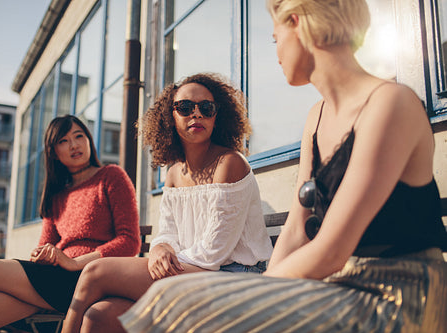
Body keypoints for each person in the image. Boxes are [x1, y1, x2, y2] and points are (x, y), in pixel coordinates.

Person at [118, 1, 447, 332]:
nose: (276, 52)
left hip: (396, 294)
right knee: (176, 299)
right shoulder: (316, 117)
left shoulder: (391, 103)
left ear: (297, 22)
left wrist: (252, 291)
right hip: (335, 285)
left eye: (276, 38)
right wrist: (260, 287)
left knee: (181, 302)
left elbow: (332, 249)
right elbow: (296, 229)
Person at [60, 73, 273, 333]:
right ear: (169, 117)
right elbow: (168, 231)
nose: (196, 115)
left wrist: (162, 258)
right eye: (185, 108)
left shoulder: (230, 163)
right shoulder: (173, 173)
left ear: (218, 116)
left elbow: (213, 251)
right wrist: (160, 248)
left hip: (236, 278)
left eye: (206, 108)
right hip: (192, 272)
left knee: (95, 272)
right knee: (99, 315)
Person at [0, 115, 141, 333]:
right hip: (54, 281)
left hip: (88, 279)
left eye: (79, 136)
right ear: (54, 153)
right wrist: (46, 255)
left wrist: (75, 263)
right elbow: (43, 247)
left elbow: (130, 241)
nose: (74, 145)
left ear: (89, 140)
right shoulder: (56, 195)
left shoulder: (111, 176)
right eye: (63, 141)